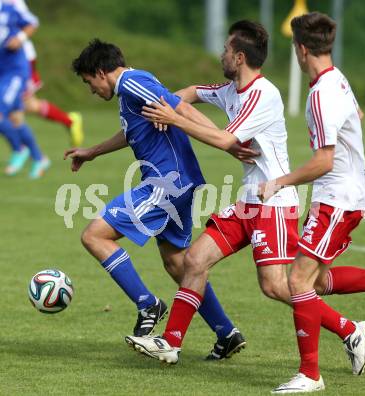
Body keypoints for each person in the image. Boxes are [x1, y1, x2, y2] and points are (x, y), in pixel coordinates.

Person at [127, 20, 365, 373]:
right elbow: (194, 92)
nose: (221, 54)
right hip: (250, 201)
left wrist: (174, 119)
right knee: (195, 260)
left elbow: (227, 140)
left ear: (239, 57)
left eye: (226, 49)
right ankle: (171, 343)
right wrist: (160, 104)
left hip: (274, 203)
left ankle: (349, 330)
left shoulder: (264, 94)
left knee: (275, 286)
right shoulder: (231, 90)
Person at [255, 12, 365, 393]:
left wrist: (279, 182)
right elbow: (358, 115)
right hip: (342, 196)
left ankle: (311, 374)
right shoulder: (337, 78)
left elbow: (324, 161)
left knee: (297, 280)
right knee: (313, 280)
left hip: (338, 199)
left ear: (300, 50)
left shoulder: (319, 93)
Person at [66, 39, 244, 359]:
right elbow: (133, 130)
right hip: (177, 182)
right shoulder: (132, 88)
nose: (90, 89)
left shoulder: (133, 83)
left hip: (166, 182)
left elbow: (181, 107)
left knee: (95, 235)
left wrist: (228, 142)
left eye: (88, 81)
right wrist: (92, 152)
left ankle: (148, 304)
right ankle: (226, 332)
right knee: (178, 264)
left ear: (101, 72)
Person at [6, 0, 84, 148]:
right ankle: (25, 151)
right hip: (5, 62)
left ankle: (26, 152)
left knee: (16, 103)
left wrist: (19, 39)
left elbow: (31, 22)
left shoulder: (11, 2)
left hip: (19, 60)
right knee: (22, 104)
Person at [0, 0, 50, 178]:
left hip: (14, 71)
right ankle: (39, 158)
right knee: (15, 118)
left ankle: (19, 149)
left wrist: (19, 38)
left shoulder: (9, 7)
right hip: (1, 73)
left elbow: (32, 22)